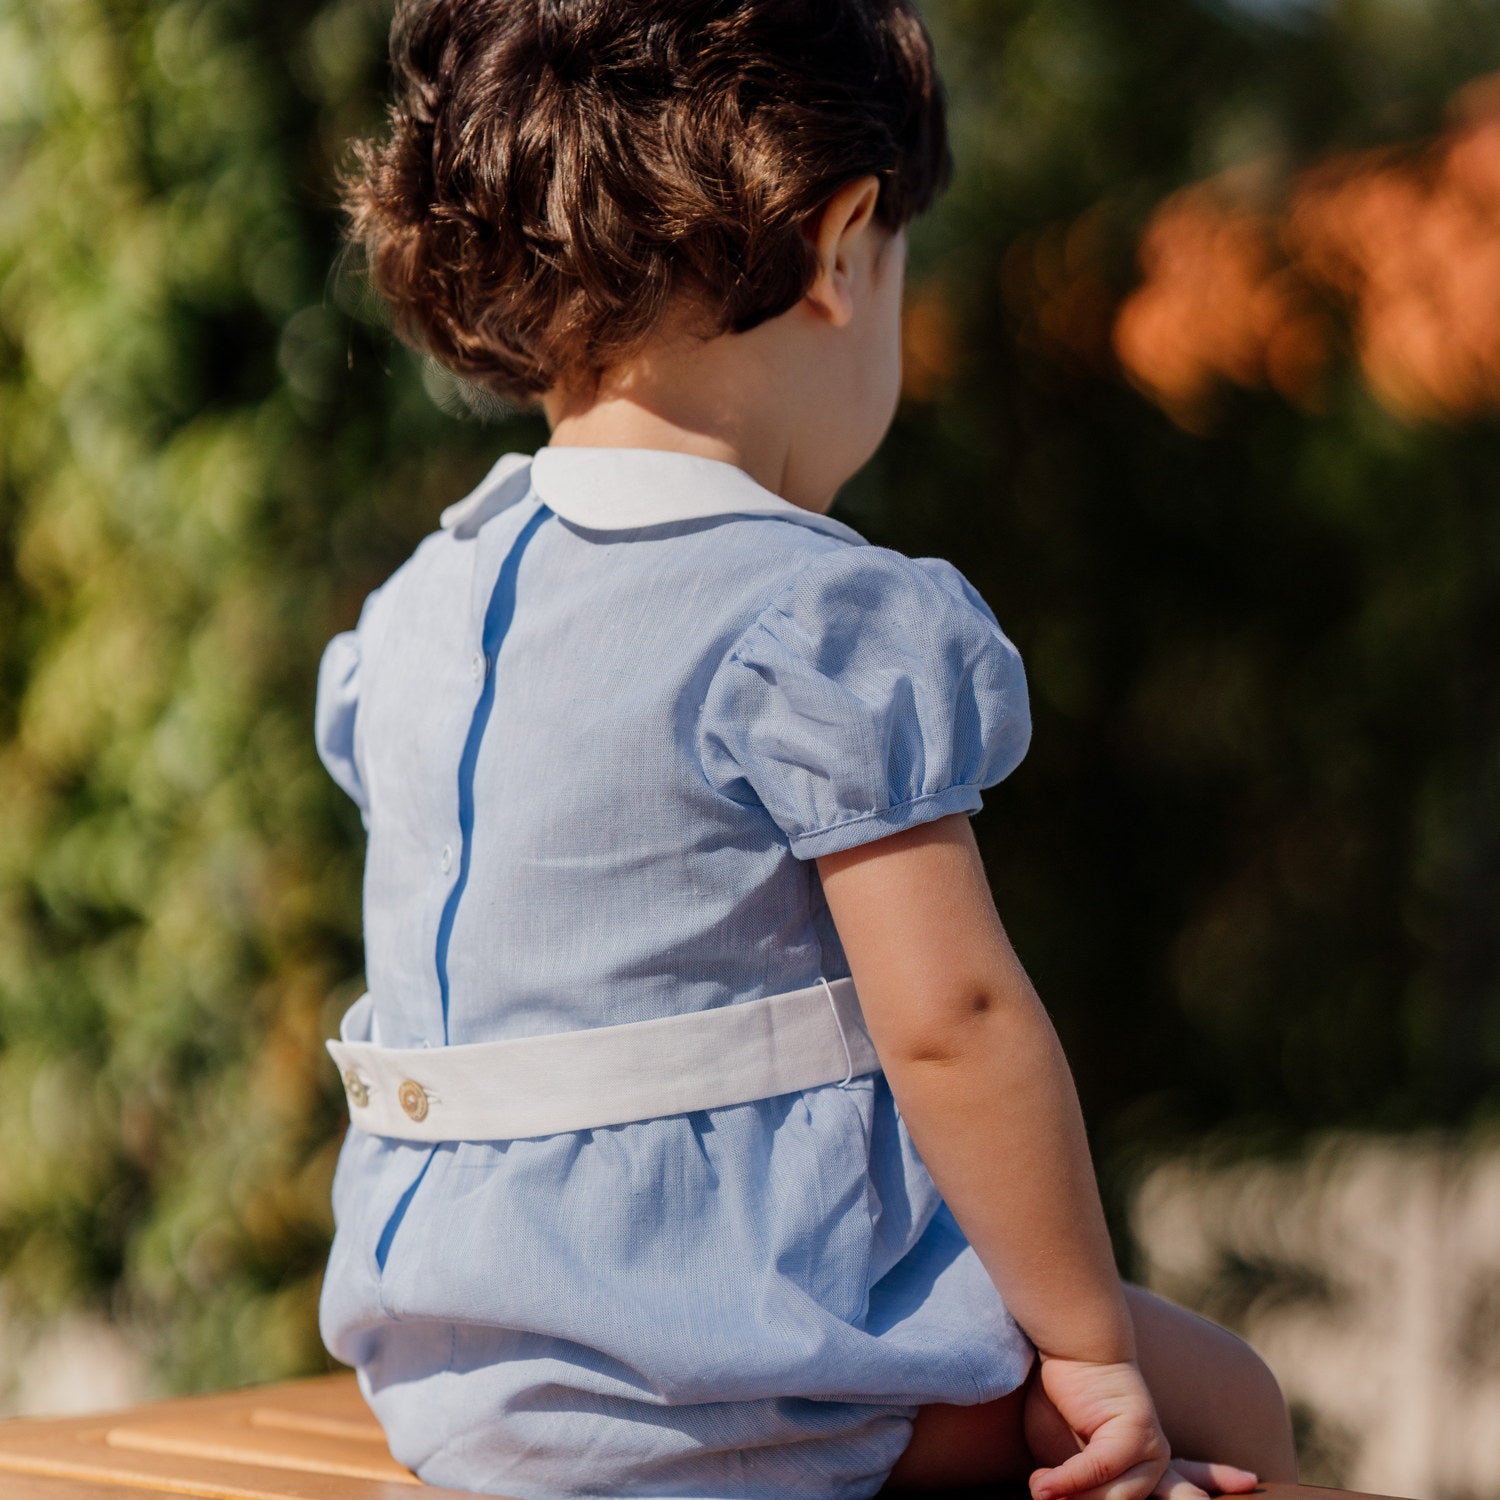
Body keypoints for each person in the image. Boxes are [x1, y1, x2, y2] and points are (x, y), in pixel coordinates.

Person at [313, 2, 1301, 1498]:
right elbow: (952, 1020)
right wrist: (1090, 1351)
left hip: (455, 1385)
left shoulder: (414, 616)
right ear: (844, 246)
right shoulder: (816, 617)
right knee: (1230, 1403)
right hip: (745, 1392)